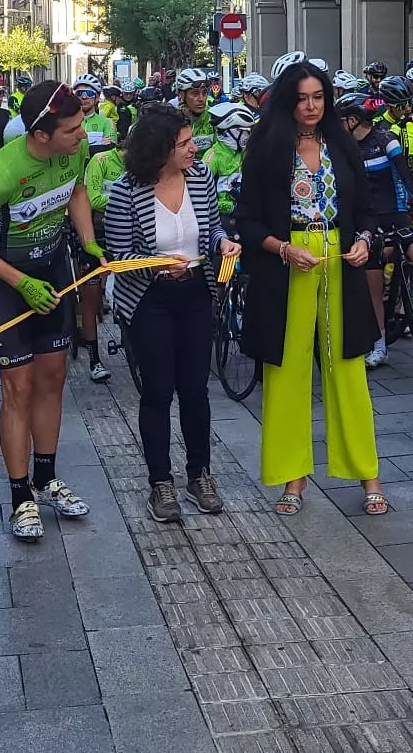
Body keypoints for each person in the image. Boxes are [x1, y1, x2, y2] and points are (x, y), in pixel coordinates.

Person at [233, 62, 388, 517]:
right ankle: (292, 478)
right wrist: (282, 249)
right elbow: (247, 220)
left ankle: (368, 475)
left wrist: (363, 241)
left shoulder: (341, 144)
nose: (311, 106)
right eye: (302, 98)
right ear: (287, 99)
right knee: (287, 375)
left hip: (339, 262)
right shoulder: (266, 148)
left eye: (318, 97)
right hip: (287, 266)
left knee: (349, 370)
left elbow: (366, 209)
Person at [0, 82, 99, 542]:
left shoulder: (76, 148)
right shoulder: (5, 170)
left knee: (53, 378)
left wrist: (88, 238)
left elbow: (76, 191)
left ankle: (46, 477)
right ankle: (21, 498)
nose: (82, 134)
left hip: (52, 267)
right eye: (72, 129)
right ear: (41, 135)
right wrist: (20, 282)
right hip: (7, 279)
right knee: (18, 386)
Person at [103, 105, 240, 521]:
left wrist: (222, 243)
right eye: (183, 144)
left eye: (191, 141)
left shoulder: (201, 177)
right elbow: (118, 256)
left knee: (196, 389)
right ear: (159, 149)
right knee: (159, 390)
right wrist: (156, 264)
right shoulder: (127, 190)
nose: (193, 149)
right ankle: (160, 482)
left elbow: (212, 226)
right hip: (150, 299)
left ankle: (200, 474)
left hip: (197, 292)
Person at [341, 92, 413, 368]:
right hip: (369, 223)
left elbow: (405, 176)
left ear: (354, 120)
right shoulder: (344, 147)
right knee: (373, 287)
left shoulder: (386, 139)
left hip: (398, 214)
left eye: (341, 120)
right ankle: (379, 344)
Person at [70, 75, 118, 384]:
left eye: (89, 93)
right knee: (87, 290)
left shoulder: (106, 122)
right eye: (80, 93)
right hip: (77, 198)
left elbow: (108, 149)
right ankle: (93, 355)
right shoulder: (71, 123)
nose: (85, 97)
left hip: (101, 207)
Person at [377, 76, 413, 181]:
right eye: (402, 105)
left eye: (409, 102)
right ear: (388, 106)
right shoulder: (375, 127)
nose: (407, 108)